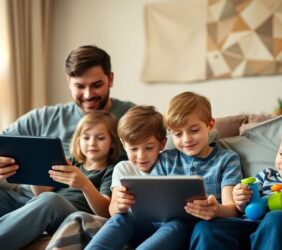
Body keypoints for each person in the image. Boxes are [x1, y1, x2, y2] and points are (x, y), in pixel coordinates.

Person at [86, 92, 243, 249]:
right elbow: (150, 200)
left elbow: (232, 209)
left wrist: (216, 210)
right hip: (155, 224)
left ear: (210, 126)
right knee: (121, 219)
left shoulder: (227, 159)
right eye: (178, 133)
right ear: (170, 133)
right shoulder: (166, 159)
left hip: (187, 228)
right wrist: (122, 204)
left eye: (194, 130)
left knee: (175, 224)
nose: (187, 139)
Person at [0, 44, 135, 181]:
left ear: (110, 79)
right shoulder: (44, 117)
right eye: (80, 86)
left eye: (97, 85)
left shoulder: (132, 117)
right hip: (18, 194)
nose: (88, 95)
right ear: (69, 82)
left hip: (66, 200)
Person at [0, 110, 121, 249]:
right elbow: (40, 194)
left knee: (52, 200)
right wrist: (35, 171)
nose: (92, 143)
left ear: (112, 142)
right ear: (78, 140)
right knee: (45, 199)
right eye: (86, 138)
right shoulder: (72, 162)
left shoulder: (111, 170)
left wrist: (85, 185)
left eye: (100, 138)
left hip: (73, 213)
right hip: (51, 212)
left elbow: (105, 211)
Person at [85, 105, 192, 250]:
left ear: (162, 144)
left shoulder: (173, 162)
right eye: (133, 149)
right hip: (136, 225)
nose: (141, 156)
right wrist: (119, 205)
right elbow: (113, 209)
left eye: (148, 148)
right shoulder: (123, 168)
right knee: (120, 218)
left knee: (177, 225)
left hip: (170, 226)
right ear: (123, 145)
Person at [191, 126, 282, 250]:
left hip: (277, 228)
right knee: (205, 228)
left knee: (278, 218)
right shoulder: (267, 174)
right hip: (247, 224)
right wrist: (240, 198)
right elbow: (242, 208)